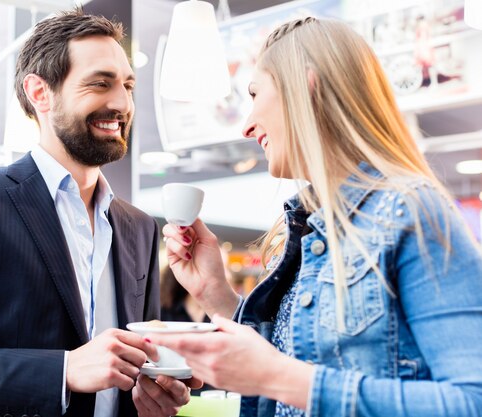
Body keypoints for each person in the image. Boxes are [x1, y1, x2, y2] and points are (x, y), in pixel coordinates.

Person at [150, 17, 482, 417]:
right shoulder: (305, 225)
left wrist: (278, 378)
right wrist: (215, 296)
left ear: (306, 87)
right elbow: (294, 359)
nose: (246, 125)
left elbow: (471, 401)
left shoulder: (409, 210)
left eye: (256, 94)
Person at [0, 9, 195, 417]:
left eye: (128, 86)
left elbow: (139, 364)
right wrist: (62, 371)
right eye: (100, 83)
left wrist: (154, 393)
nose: (122, 103)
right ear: (40, 93)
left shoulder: (139, 227)